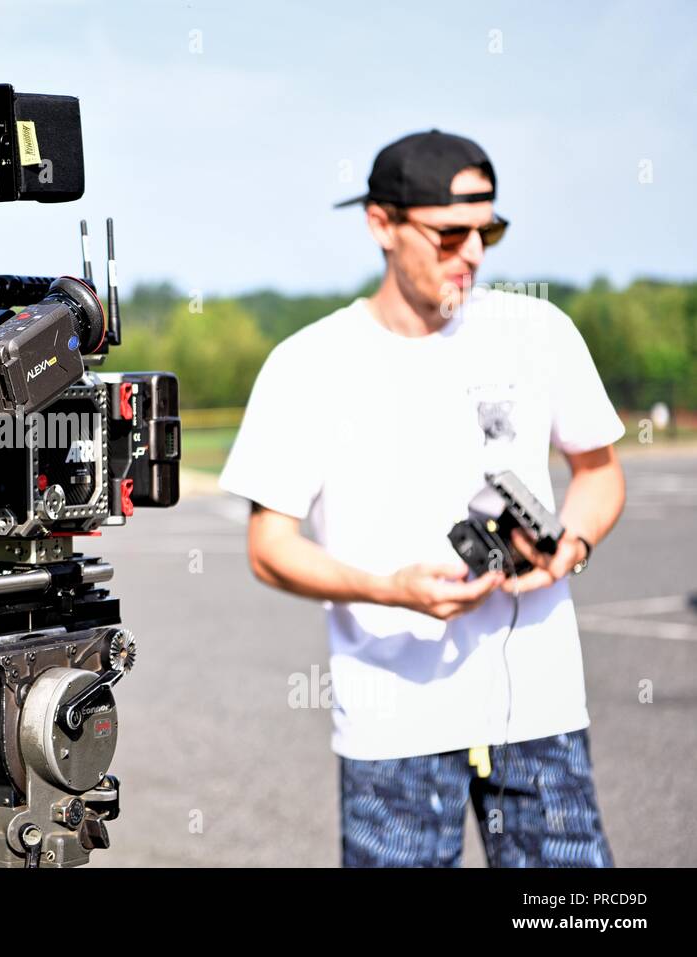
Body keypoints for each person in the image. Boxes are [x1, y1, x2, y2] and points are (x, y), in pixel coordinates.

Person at [218, 130, 626, 867]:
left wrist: (573, 544)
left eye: (487, 231)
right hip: (392, 719)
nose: (472, 252)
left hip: (540, 710)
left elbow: (599, 473)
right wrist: (389, 589)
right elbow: (268, 547)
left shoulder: (540, 333)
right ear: (382, 223)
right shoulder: (308, 363)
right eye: (448, 233)